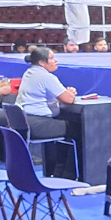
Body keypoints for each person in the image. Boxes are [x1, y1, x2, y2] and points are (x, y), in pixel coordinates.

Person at [15, 47, 79, 177]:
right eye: (51, 58)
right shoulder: (46, 77)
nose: (55, 61)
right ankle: (69, 173)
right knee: (80, 129)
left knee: (64, 125)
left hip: (25, 121)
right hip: (39, 124)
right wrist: (70, 93)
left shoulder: (29, 72)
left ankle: (57, 170)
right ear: (41, 62)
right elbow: (68, 99)